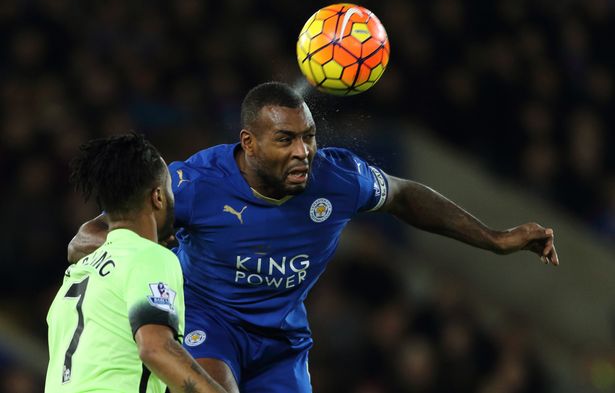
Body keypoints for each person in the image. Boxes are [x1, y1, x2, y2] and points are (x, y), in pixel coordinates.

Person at [68, 82, 558, 393]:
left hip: (282, 341)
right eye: (286, 139)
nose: (303, 151)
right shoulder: (196, 183)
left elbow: (407, 196)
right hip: (209, 324)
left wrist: (495, 239)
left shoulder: (338, 179)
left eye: (309, 135)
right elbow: (93, 235)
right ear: (249, 143)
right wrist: (123, 254)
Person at [47, 134, 226, 393]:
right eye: (168, 189)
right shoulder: (149, 256)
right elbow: (155, 348)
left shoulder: (76, 274)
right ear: (158, 197)